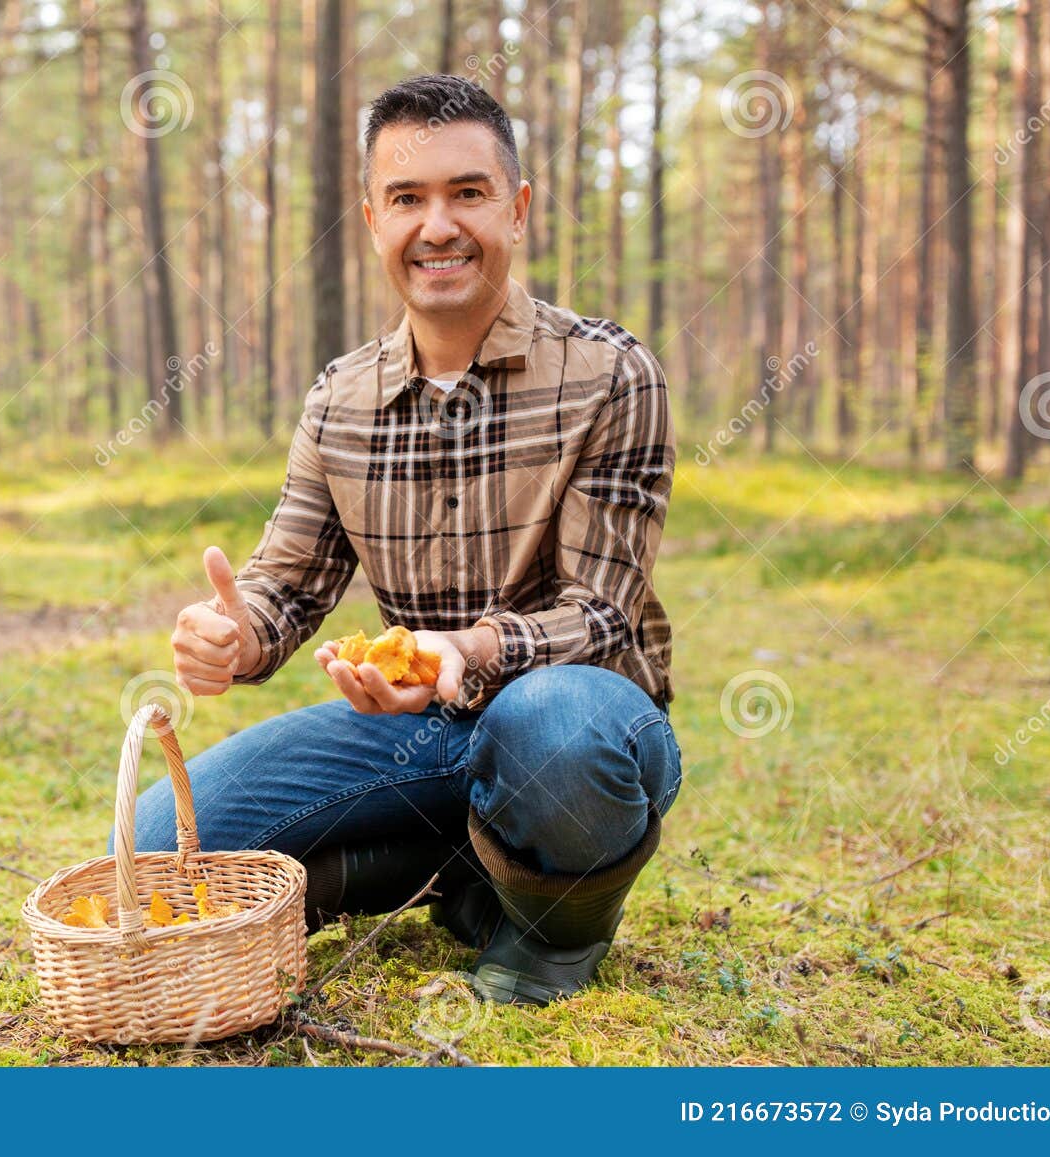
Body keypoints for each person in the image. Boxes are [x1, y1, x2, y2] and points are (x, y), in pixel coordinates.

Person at [128, 74, 681, 1006]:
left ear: (518, 207)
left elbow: (601, 613)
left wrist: (467, 649)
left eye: (467, 193)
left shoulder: (611, 373)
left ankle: (554, 933)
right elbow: (286, 588)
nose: (439, 226)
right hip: (416, 731)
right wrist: (235, 635)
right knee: (152, 846)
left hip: (584, 719)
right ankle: (462, 873)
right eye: (407, 198)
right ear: (373, 217)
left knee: (548, 728)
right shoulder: (341, 399)